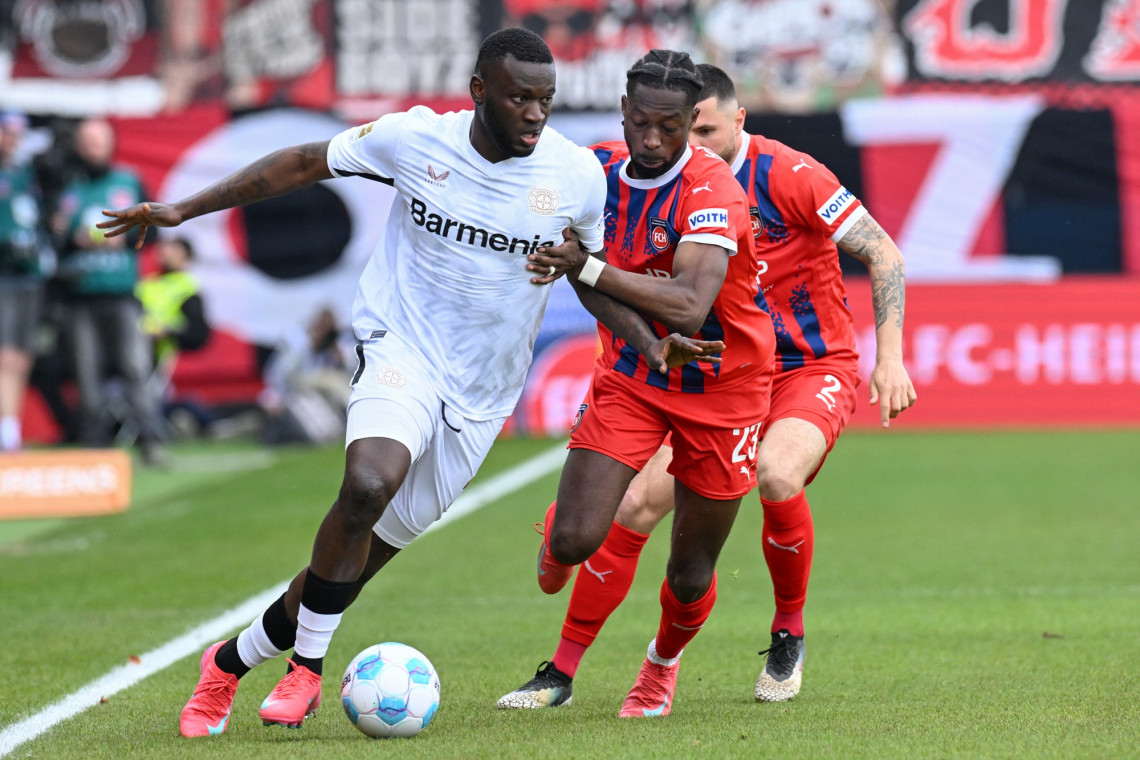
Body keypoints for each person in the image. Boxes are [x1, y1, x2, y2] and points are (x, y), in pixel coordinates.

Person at [98, 28, 721, 738]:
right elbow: (303, 162)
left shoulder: (576, 175)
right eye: (519, 98)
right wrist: (185, 208)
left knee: (354, 564)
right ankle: (307, 669)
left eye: (545, 100)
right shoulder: (416, 139)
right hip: (401, 346)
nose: (534, 114)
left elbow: (589, 278)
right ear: (480, 91)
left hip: (482, 392)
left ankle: (228, 663)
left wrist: (650, 344)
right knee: (367, 484)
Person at [496, 62, 917, 710]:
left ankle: (785, 633)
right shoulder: (633, 171)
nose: (686, 143)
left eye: (702, 130)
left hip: (803, 364)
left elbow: (883, 252)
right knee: (631, 509)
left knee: (776, 474)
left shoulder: (786, 175)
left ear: (733, 121)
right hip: (690, 367)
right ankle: (562, 667)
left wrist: (890, 359)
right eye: (671, 129)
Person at [498, 50, 776, 718]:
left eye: (670, 127)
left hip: (725, 386)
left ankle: (660, 667)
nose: (652, 140)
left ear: (691, 121)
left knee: (690, 572)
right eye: (641, 123)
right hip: (635, 372)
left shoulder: (712, 189)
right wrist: (644, 342)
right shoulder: (591, 172)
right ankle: (560, 549)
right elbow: (571, 265)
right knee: (573, 540)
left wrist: (587, 266)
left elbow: (688, 305)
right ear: (623, 111)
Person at [53, 117, 167, 464]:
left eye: (99, 140)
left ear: (111, 144)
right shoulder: (66, 188)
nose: (93, 147)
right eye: (87, 140)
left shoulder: (129, 182)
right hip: (79, 296)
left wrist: (124, 240)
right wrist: (72, 240)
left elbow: (156, 231)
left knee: (136, 367)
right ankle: (94, 447)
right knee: (86, 373)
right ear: (78, 146)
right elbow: (52, 242)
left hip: (121, 294)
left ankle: (151, 440)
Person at [0, 111, 49, 452]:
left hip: (29, 273)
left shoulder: (27, 174)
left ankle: (10, 429)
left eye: (18, 133)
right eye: (8, 131)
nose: (13, 139)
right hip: (3, 274)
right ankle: (7, 434)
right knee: (5, 355)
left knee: (21, 356)